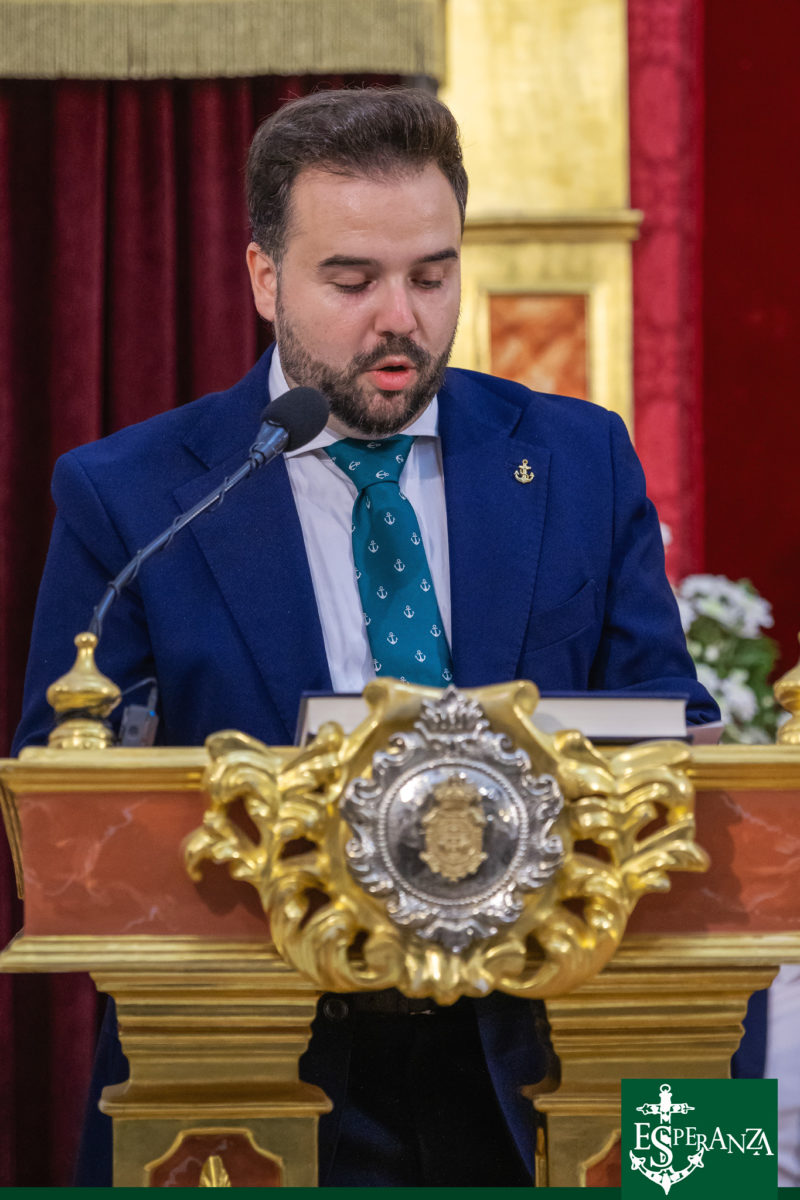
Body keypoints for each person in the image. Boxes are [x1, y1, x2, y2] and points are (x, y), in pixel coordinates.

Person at [13, 87, 719, 1186]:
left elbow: (678, 749)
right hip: (247, 1068)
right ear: (265, 279)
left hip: (558, 1048)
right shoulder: (133, 496)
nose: (401, 318)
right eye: (352, 281)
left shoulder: (581, 458)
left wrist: (702, 1147)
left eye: (431, 277)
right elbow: (70, 813)